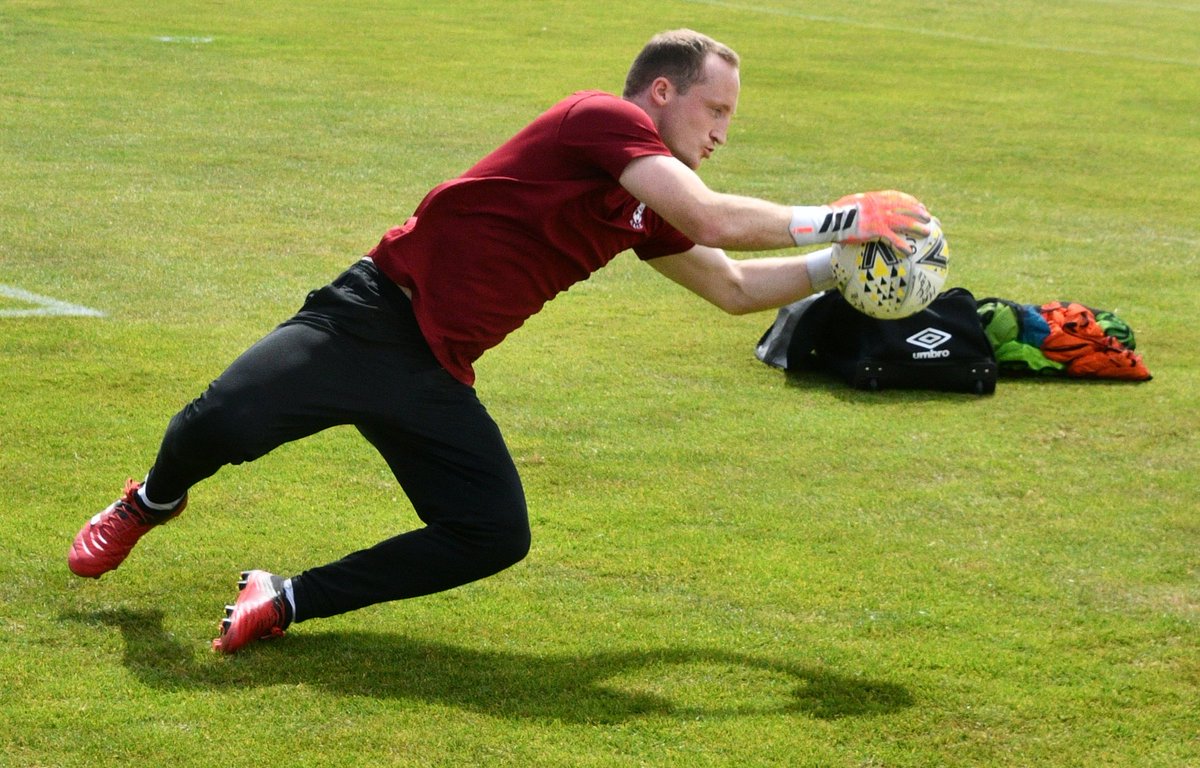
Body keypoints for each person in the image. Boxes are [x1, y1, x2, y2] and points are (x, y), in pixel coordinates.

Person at [68, 29, 931, 654]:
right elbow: (711, 215)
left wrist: (836, 266)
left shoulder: (642, 209)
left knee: (493, 532)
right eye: (715, 109)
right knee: (219, 422)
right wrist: (846, 215)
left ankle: (286, 597)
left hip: (436, 371)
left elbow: (735, 288)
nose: (721, 132)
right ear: (661, 94)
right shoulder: (597, 119)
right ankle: (149, 502)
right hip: (365, 319)